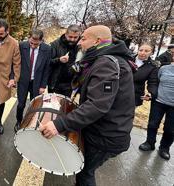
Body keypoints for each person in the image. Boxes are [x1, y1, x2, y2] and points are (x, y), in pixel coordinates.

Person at [40, 25, 135, 185]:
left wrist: (59, 124)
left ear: (97, 41)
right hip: (105, 131)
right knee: (84, 171)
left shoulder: (107, 64)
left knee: (85, 174)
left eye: (83, 39)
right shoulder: (105, 59)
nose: (79, 43)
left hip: (106, 136)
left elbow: (97, 106)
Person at [14, 29, 51, 132]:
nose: (33, 46)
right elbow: (15, 63)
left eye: (36, 44)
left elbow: (47, 68)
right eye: (31, 43)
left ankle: (30, 122)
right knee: (21, 104)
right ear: (28, 38)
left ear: (41, 40)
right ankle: (19, 121)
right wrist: (14, 77)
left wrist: (43, 85)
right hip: (23, 81)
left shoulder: (47, 49)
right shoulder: (21, 46)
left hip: (37, 82)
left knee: (34, 104)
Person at [138, 61, 174, 160]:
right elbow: (155, 83)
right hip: (159, 102)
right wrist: (151, 94)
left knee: (170, 129)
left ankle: (164, 148)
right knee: (152, 124)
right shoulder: (164, 69)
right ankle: (150, 143)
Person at [48, 25, 81, 96]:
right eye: (70, 37)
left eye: (75, 37)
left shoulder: (81, 45)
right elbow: (48, 62)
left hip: (70, 84)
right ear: (66, 34)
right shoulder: (55, 44)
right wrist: (59, 60)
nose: (72, 39)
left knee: (65, 106)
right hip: (55, 82)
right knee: (53, 106)